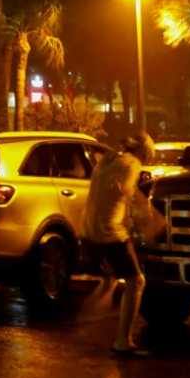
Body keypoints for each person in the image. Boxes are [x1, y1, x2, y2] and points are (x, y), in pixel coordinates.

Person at [82, 134, 155, 357]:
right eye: (151, 151)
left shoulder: (109, 160)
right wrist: (147, 222)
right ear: (144, 151)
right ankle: (123, 341)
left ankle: (86, 327)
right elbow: (127, 194)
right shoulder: (132, 164)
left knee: (109, 281)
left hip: (89, 231)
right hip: (110, 233)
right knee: (137, 281)